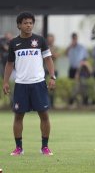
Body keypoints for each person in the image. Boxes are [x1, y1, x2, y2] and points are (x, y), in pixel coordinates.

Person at [2, 11, 56, 156]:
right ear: (19, 25)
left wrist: (52, 77)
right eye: (25, 23)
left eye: (31, 23)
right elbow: (9, 64)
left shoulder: (40, 40)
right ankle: (19, 148)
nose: (28, 25)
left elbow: (48, 59)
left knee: (44, 115)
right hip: (21, 85)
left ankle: (45, 147)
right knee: (18, 116)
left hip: (38, 84)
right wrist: (5, 82)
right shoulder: (14, 43)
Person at [46, 33, 59, 108]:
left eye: (51, 39)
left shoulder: (56, 47)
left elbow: (56, 56)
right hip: (45, 69)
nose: (50, 41)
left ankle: (52, 104)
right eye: (49, 39)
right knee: (44, 87)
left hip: (54, 70)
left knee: (53, 87)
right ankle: (46, 103)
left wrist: (49, 54)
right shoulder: (45, 47)